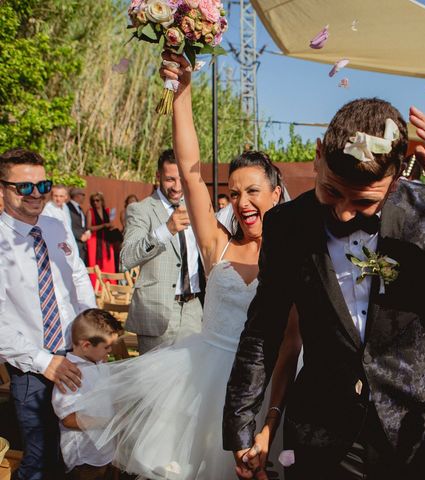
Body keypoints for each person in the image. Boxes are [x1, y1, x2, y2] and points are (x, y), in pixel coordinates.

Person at [222, 98, 425, 480]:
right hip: (323, 438)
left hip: (420, 432)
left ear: (395, 179)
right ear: (318, 156)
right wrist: (242, 426)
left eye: (363, 201)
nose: (342, 212)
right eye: (332, 192)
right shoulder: (286, 226)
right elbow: (263, 329)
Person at [74, 55, 301, 480]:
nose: (243, 203)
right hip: (200, 382)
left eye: (253, 191)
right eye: (234, 194)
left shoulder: (293, 258)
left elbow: (291, 344)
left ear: (275, 193)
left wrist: (270, 419)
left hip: (266, 387)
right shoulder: (217, 244)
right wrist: (182, 91)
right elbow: (191, 173)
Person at [0, 148, 96, 480]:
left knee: (76, 455)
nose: (36, 194)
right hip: (33, 370)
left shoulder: (56, 226)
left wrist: (90, 325)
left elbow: (78, 275)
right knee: (41, 462)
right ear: (3, 189)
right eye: (24, 187)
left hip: (77, 358)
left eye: (43, 185)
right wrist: (45, 362)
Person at [119, 150, 204, 354]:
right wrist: (166, 230)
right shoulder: (140, 210)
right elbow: (126, 258)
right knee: (156, 383)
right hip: (157, 312)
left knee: (190, 380)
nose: (176, 186)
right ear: (158, 176)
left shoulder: (196, 207)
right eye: (169, 179)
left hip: (194, 309)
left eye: (181, 179)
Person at [51, 309, 121, 479]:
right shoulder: (71, 375)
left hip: (103, 448)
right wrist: (107, 423)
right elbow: (68, 419)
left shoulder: (97, 364)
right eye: (106, 347)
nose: (110, 350)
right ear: (86, 345)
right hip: (85, 456)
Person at [86, 192, 117, 286]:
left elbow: (110, 225)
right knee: (95, 263)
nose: (95, 202)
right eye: (93, 201)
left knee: (108, 262)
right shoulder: (90, 212)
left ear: (102, 201)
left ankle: (109, 284)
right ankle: (96, 286)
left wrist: (110, 226)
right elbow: (89, 227)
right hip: (95, 240)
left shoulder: (107, 211)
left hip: (106, 241)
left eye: (97, 200)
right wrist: (103, 225)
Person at [68, 187, 91, 265]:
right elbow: (67, 224)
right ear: (77, 195)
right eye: (83, 195)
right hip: (74, 241)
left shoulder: (79, 208)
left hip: (82, 244)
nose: (84, 197)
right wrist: (80, 236)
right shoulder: (67, 207)